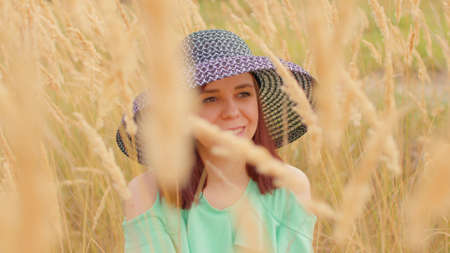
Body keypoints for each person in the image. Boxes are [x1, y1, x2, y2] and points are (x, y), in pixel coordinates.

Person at [116, 29, 316, 253]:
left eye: (244, 94)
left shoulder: (289, 186)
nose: (232, 112)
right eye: (210, 99)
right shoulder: (145, 194)